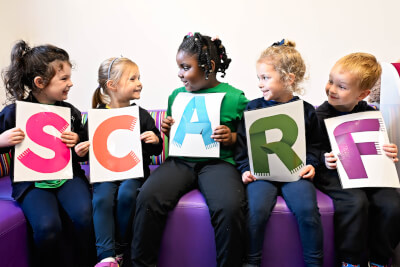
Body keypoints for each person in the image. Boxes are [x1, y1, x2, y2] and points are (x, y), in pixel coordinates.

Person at [131, 32, 248, 267]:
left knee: (229, 206)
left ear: (209, 66)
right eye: (179, 67)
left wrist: (232, 136)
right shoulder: (176, 95)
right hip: (180, 161)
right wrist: (166, 129)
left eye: (186, 67)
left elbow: (246, 138)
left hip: (219, 163)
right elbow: (176, 135)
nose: (180, 73)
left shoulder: (235, 98)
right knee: (148, 196)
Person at [0, 40, 93, 267]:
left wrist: (79, 143)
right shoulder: (14, 113)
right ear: (40, 82)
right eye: (64, 79)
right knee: (47, 227)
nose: (71, 83)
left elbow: (83, 153)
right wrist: (1, 141)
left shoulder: (70, 113)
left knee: (85, 216)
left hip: (68, 177)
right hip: (31, 183)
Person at [235, 39, 324, 267]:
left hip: (295, 171)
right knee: (256, 210)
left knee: (307, 211)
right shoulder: (252, 108)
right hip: (261, 174)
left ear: (288, 79)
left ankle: (314, 263)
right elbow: (242, 147)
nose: (260, 84)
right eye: (259, 78)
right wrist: (245, 169)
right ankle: (251, 262)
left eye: (265, 78)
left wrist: (311, 163)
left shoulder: (306, 111)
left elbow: (315, 145)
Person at [75, 57, 163, 267]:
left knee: (127, 195)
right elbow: (86, 152)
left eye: (139, 78)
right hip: (105, 174)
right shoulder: (96, 116)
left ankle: (121, 248)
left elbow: (156, 149)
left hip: (133, 174)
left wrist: (154, 139)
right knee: (101, 199)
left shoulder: (141, 115)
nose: (139, 82)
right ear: (111, 85)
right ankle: (105, 256)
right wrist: (80, 151)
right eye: (132, 78)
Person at [314, 52, 400, 267]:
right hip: (334, 174)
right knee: (355, 202)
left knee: (391, 204)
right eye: (330, 81)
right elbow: (309, 151)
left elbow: (376, 145)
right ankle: (350, 260)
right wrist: (323, 159)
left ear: (362, 95)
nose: (332, 89)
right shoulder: (317, 116)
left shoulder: (370, 113)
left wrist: (387, 149)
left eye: (341, 87)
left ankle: (379, 260)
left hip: (368, 172)